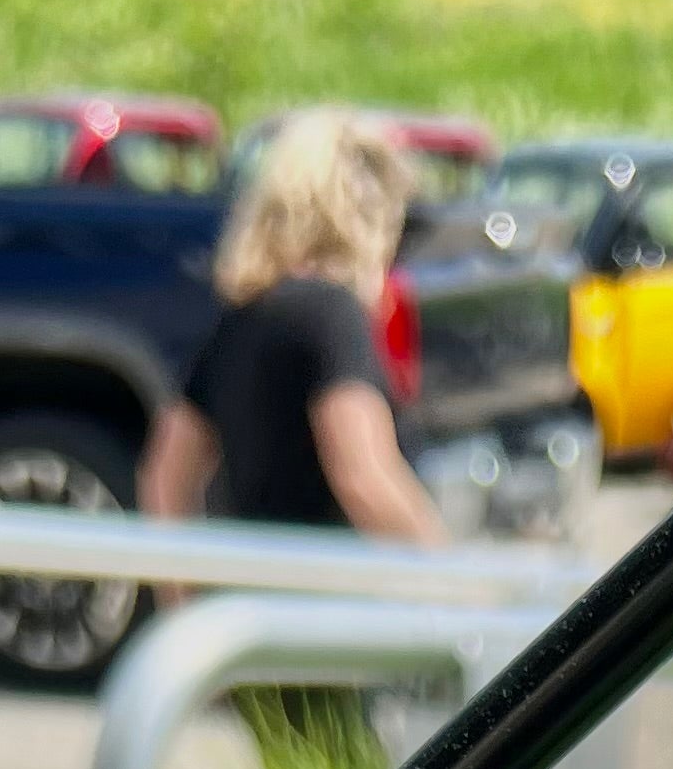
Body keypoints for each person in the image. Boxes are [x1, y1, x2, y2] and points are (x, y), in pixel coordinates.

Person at [141, 109, 449, 545]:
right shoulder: (332, 313)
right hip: (331, 578)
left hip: (262, 576)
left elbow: (165, 478)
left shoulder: (242, 317)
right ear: (368, 215)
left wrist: (184, 580)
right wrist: (443, 567)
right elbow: (362, 476)